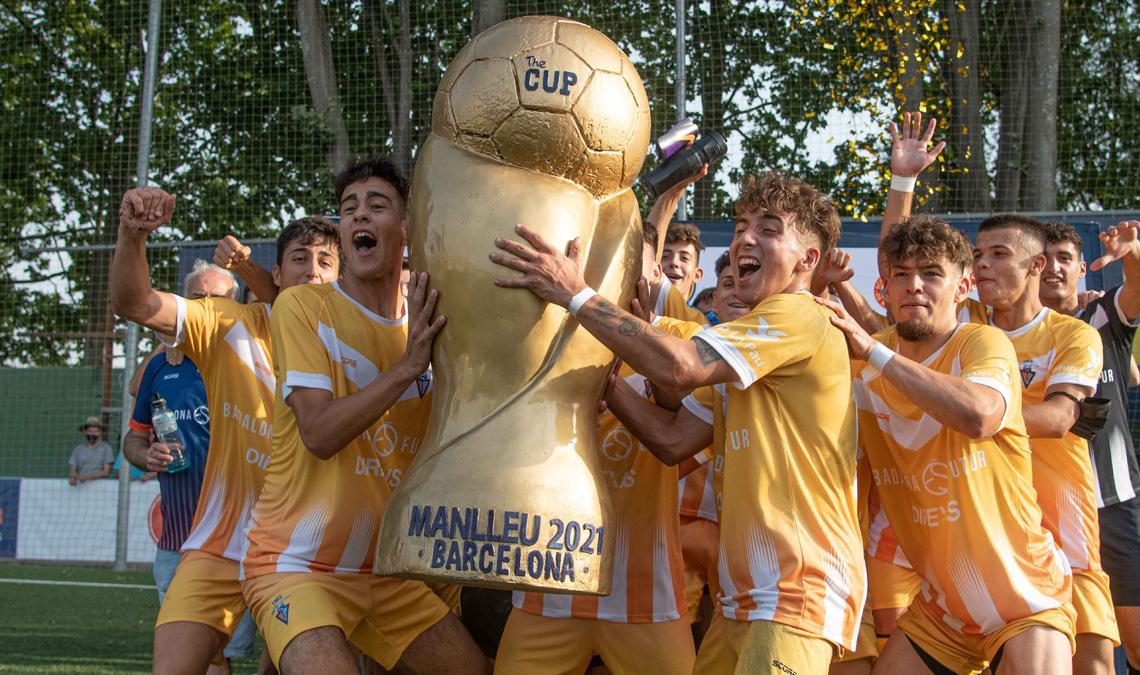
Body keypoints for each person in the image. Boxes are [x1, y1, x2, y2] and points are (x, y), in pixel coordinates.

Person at [492, 172, 865, 673]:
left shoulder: (799, 314)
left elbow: (681, 367)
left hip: (795, 592)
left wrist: (576, 294)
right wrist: (604, 382)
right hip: (744, 601)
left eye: (770, 229)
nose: (745, 239)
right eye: (739, 226)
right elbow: (671, 441)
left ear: (809, 260)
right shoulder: (750, 351)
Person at [239, 157, 487, 674]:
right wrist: (406, 369)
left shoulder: (432, 313)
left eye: (377, 206)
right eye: (349, 209)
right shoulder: (304, 307)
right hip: (295, 565)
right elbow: (318, 432)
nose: (359, 218)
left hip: (384, 573)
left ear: (408, 229)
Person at [818, 215, 1074, 674]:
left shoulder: (983, 343)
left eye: (931, 273)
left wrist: (874, 351)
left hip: (1025, 593)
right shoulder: (863, 363)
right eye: (901, 274)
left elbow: (979, 416)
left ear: (963, 287)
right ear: (886, 288)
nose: (914, 286)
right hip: (943, 608)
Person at [111, 195, 341, 673]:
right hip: (219, 542)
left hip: (301, 552)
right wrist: (133, 235)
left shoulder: (357, 342)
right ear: (276, 275)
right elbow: (135, 302)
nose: (313, 272)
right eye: (299, 259)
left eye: (325, 262)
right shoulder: (228, 326)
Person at [974, 215, 1118, 674]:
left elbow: (1058, 419)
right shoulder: (965, 328)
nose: (981, 266)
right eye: (977, 256)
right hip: (990, 532)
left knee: (1092, 663)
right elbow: (895, 276)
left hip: (1066, 527)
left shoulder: (1073, 334)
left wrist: (966, 414)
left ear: (1034, 266)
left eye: (998, 255)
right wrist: (903, 181)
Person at [1040, 220, 1140, 675]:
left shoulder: (1103, 317)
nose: (1053, 268)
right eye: (1045, 258)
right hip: (1045, 513)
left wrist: (1132, 252)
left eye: (1065, 259)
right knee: (1075, 656)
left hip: (1115, 504)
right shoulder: (1004, 330)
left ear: (1081, 271)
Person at [123, 259, 264, 671]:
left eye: (217, 299)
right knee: (204, 655)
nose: (207, 307)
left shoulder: (256, 362)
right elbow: (133, 438)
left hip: (250, 536)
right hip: (179, 537)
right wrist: (144, 454)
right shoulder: (159, 366)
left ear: (236, 305)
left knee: (281, 649)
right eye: (198, 298)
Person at [68, 416, 114, 486]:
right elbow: (73, 469)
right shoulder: (78, 449)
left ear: (100, 432)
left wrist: (87, 477)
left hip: (101, 485)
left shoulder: (106, 448)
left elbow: (106, 472)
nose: (93, 434)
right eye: (90, 431)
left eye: (96, 431)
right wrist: (73, 477)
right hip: (81, 485)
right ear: (85, 432)